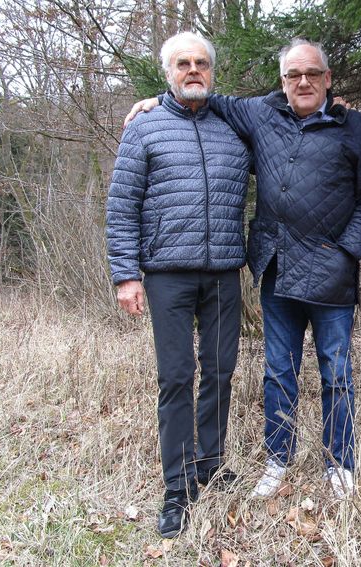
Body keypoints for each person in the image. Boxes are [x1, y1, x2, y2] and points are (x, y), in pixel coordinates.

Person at [126, 38, 361, 499]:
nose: (302, 82)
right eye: (293, 75)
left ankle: (339, 461)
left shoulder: (357, 130)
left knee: (337, 372)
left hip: (333, 271)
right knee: (278, 371)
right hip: (276, 267)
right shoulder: (260, 116)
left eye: (312, 74)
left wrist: (349, 251)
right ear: (282, 82)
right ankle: (278, 457)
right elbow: (199, 96)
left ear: (328, 80)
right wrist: (158, 100)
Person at [106, 31, 250, 538]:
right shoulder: (144, 128)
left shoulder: (234, 126)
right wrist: (126, 274)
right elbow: (122, 205)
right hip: (167, 273)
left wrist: (333, 101)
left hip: (223, 274)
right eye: (183, 64)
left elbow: (289, 112)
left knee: (220, 371)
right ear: (167, 73)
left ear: (213, 71)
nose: (194, 70)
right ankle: (177, 484)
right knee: (175, 377)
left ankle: (209, 464)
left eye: (202, 63)